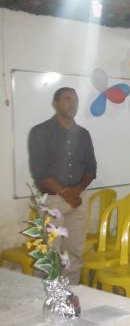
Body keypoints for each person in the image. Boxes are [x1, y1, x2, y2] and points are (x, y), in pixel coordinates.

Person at [28, 87, 96, 284]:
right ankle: (46, 299)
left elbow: (91, 167)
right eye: (67, 99)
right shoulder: (40, 132)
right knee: (50, 253)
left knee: (74, 253)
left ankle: (70, 295)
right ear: (55, 104)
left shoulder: (83, 134)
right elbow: (40, 171)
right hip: (53, 201)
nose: (72, 103)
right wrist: (66, 192)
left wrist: (77, 190)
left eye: (75, 99)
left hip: (76, 200)